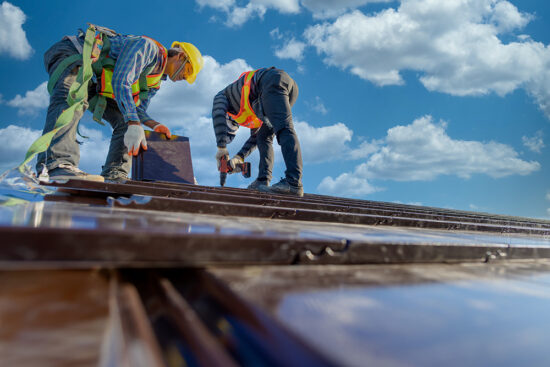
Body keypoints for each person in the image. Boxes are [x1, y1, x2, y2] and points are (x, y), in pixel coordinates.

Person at [35, 24, 203, 182]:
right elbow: (121, 81)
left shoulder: (155, 82)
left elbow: (137, 112)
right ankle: (56, 164)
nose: (185, 78)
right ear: (180, 56)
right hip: (74, 54)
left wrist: (153, 124)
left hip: (95, 82)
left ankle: (115, 173)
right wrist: (134, 122)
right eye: (187, 71)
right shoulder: (148, 48)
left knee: (126, 122)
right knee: (71, 98)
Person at [212, 67, 304, 196]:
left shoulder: (223, 96)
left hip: (272, 81)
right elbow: (255, 137)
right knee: (263, 137)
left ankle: (293, 183)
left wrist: (222, 147)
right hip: (284, 86)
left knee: (284, 128)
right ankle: (262, 181)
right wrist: (239, 157)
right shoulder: (248, 111)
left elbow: (217, 114)